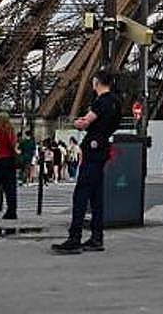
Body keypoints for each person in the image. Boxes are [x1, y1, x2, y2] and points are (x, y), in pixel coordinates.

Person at [52, 69, 122, 255]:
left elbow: (85, 123)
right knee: (97, 197)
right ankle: (97, 237)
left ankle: (74, 237)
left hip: (92, 149)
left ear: (97, 82)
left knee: (81, 194)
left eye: (93, 81)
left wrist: (77, 122)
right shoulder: (116, 102)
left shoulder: (101, 101)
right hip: (103, 147)